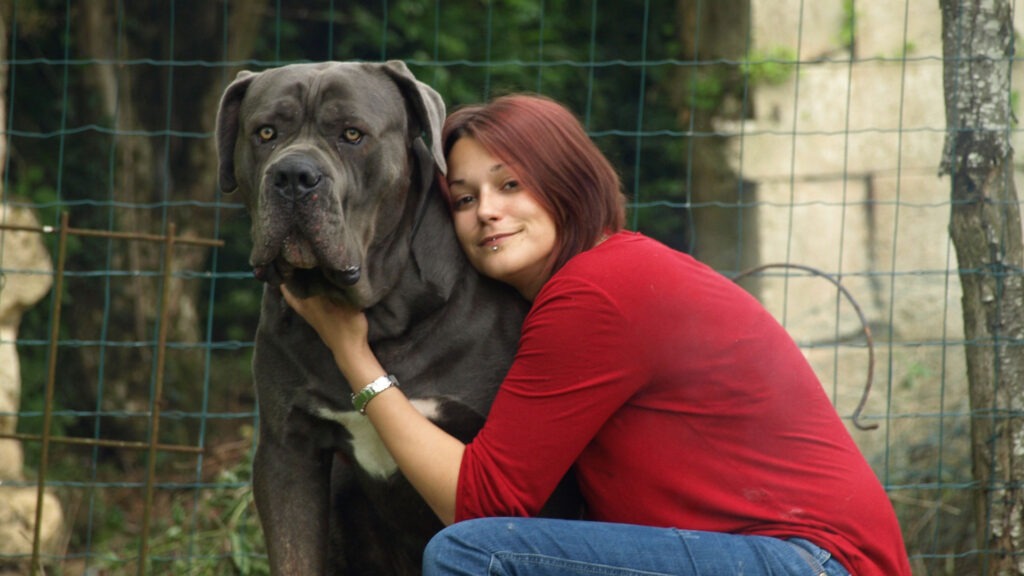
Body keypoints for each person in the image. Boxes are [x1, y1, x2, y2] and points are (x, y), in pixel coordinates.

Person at [281, 93, 912, 576]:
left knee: (476, 554)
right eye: (465, 200)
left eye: (510, 184)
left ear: (566, 182)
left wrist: (353, 355)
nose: (487, 211)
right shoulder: (607, 277)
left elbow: (480, 504)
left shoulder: (600, 290)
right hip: (771, 555)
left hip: (815, 562)